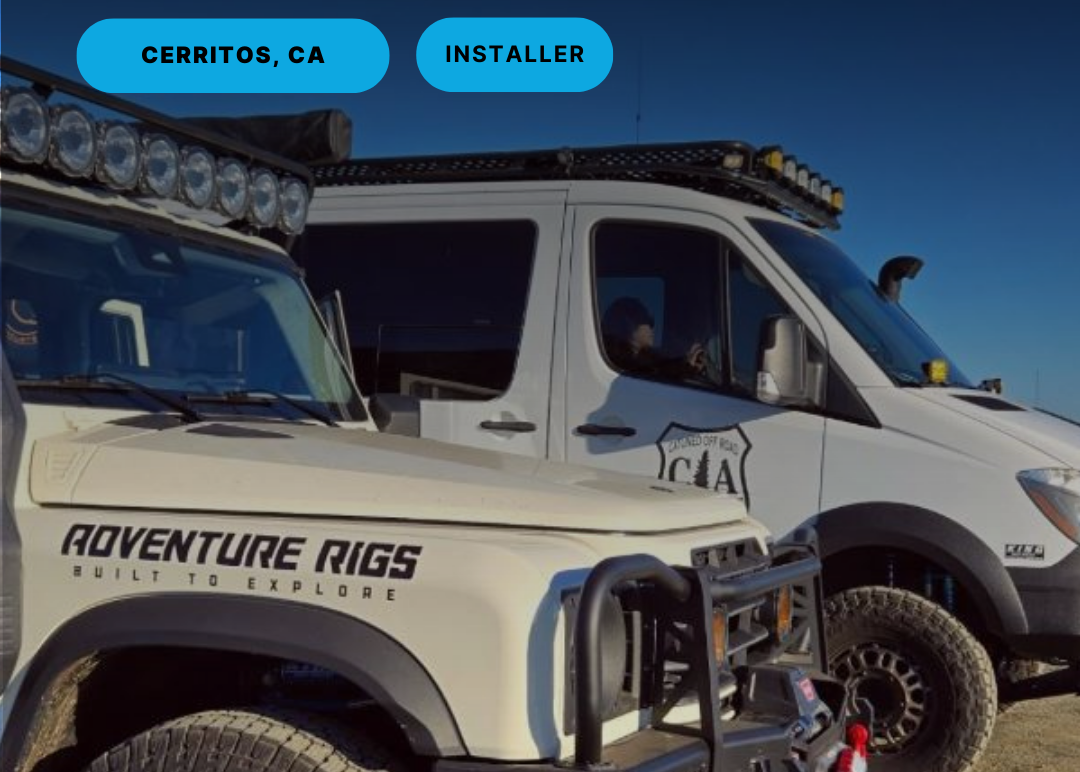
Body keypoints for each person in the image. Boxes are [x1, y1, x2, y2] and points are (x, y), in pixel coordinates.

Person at [601, 297, 708, 379]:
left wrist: (686, 367)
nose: (651, 327)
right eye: (647, 320)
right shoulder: (618, 367)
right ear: (626, 325)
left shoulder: (649, 362)